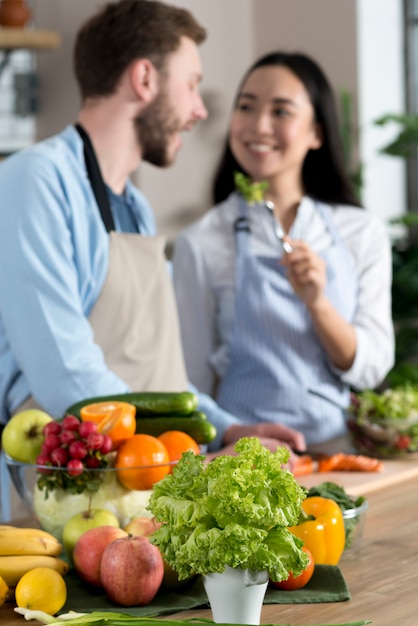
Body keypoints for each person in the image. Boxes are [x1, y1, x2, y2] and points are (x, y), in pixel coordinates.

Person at [0, 2, 305, 461]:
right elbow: (67, 378)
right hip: (61, 488)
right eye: (192, 85)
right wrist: (186, 457)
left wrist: (223, 428)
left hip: (138, 481)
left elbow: (151, 374)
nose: (200, 110)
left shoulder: (135, 207)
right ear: (144, 79)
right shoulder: (35, 180)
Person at [172, 51, 395, 451]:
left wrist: (318, 304)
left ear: (317, 133)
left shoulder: (360, 233)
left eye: (281, 111)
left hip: (338, 453)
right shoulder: (203, 242)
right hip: (245, 464)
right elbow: (190, 386)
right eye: (247, 107)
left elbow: (371, 367)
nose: (259, 125)